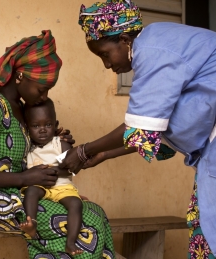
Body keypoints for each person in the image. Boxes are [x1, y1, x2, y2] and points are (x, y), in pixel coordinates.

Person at [59, 1, 216, 258]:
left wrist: (83, 151)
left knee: (208, 230)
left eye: (105, 55)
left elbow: (140, 126)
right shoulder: (160, 41)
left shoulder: (152, 49)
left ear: (124, 39)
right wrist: (104, 155)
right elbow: (156, 128)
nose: (107, 65)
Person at [0, 30, 115, 258]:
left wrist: (56, 141)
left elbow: (27, 156)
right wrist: (24, 179)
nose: (44, 95)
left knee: (94, 212)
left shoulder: (21, 109)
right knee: (88, 223)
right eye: (41, 89)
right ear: (20, 76)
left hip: (24, 194)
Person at [19, 98, 83, 256]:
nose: (42, 130)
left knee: (76, 203)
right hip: (39, 187)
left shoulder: (60, 144)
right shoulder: (27, 147)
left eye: (47, 125)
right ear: (27, 128)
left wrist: (50, 172)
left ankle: (70, 242)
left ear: (55, 125)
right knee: (31, 192)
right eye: (36, 126)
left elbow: (70, 168)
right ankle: (31, 223)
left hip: (62, 187)